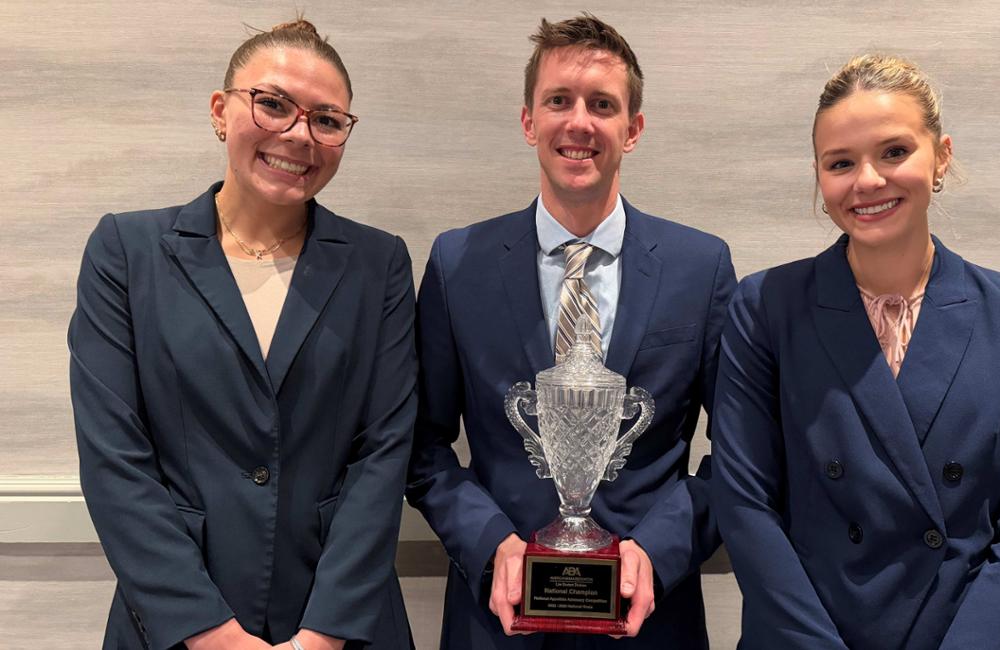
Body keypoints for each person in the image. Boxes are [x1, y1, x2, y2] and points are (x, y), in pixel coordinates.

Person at [69, 19, 416, 650]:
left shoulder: (379, 263)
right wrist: (211, 634)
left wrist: (321, 637)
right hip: (173, 623)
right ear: (220, 111)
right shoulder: (127, 251)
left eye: (327, 119)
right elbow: (114, 460)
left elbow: (384, 452)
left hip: (340, 621)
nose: (299, 135)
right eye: (273, 104)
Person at [711, 53, 1000, 650]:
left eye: (894, 152)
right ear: (819, 178)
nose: (868, 181)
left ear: (941, 157)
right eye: (840, 163)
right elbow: (746, 504)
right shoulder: (765, 307)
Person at [405, 13, 736, 650]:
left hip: (650, 623)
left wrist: (657, 551)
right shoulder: (457, 264)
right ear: (529, 120)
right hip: (497, 622)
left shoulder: (701, 268)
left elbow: (742, 454)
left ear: (632, 129)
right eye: (559, 100)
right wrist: (493, 546)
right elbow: (421, 447)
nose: (579, 122)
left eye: (602, 104)